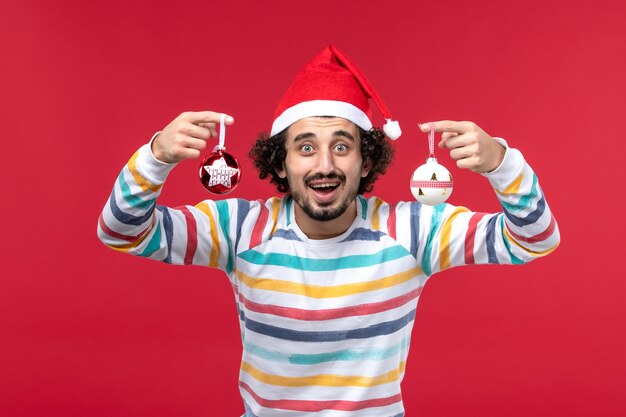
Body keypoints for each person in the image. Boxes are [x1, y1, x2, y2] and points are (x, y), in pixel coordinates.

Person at [98, 45, 560, 417]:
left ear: (367, 161)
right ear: (281, 161)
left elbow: (535, 240)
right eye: (306, 147)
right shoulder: (239, 230)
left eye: (342, 146)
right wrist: (155, 156)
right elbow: (120, 231)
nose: (324, 165)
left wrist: (502, 164)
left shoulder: (413, 231)